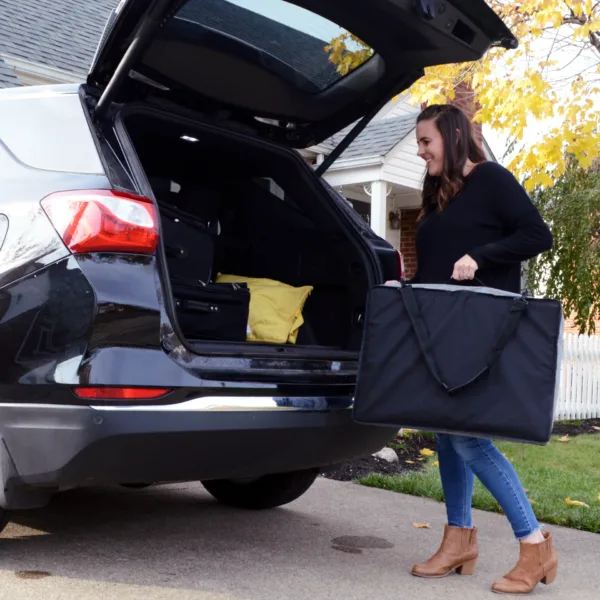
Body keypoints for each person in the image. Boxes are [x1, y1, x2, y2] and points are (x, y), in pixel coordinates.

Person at [391, 104, 557, 595]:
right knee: (446, 433)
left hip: (483, 331)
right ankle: (458, 540)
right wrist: (405, 288)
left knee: (469, 438)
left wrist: (480, 257)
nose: (421, 152)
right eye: (418, 144)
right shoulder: (439, 193)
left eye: (426, 142)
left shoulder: (492, 179)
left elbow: (537, 235)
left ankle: (535, 546)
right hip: (444, 328)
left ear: (452, 133)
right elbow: (438, 264)